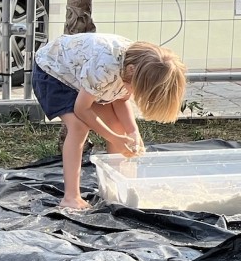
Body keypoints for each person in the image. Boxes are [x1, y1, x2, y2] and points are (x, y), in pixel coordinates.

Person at [32, 34, 186, 211]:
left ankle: (119, 189)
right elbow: (82, 109)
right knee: (79, 127)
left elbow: (121, 100)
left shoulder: (138, 65)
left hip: (81, 76)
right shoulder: (105, 67)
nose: (135, 95)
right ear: (130, 71)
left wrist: (132, 132)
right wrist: (115, 139)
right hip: (52, 72)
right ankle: (71, 197)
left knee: (119, 128)